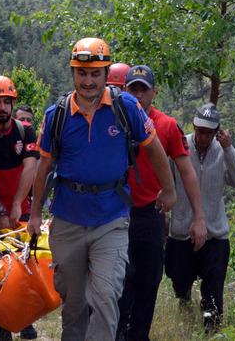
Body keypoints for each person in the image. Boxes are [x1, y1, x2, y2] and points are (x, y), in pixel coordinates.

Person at [28, 37, 177, 341]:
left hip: (111, 219)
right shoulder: (55, 115)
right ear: (73, 73)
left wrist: (169, 189)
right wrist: (33, 215)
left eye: (95, 74)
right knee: (74, 302)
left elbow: (155, 148)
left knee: (107, 296)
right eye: (82, 74)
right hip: (68, 219)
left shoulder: (127, 108)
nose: (88, 81)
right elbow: (43, 168)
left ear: (107, 74)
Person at [117, 65, 207, 341]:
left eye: (144, 89)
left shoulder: (166, 126)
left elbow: (187, 172)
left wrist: (199, 217)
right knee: (118, 284)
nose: (139, 95)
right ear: (125, 91)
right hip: (115, 215)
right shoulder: (113, 122)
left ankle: (138, 336)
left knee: (148, 281)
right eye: (134, 89)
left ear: (154, 92)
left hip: (150, 216)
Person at [164, 103, 235, 332]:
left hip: (214, 232)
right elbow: (167, 180)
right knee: (179, 279)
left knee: (214, 285)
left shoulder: (222, 150)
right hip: (181, 231)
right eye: (199, 130)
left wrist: (229, 149)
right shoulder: (180, 146)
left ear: (216, 131)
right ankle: (184, 303)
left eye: (208, 132)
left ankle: (212, 328)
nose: (202, 136)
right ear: (193, 126)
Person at [0, 75, 41, 341]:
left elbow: (31, 166)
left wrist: (17, 204)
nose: (2, 107)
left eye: (6, 102)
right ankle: (1, 328)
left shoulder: (25, 132)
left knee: (26, 266)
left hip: (21, 208)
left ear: (12, 103)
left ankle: (25, 320)